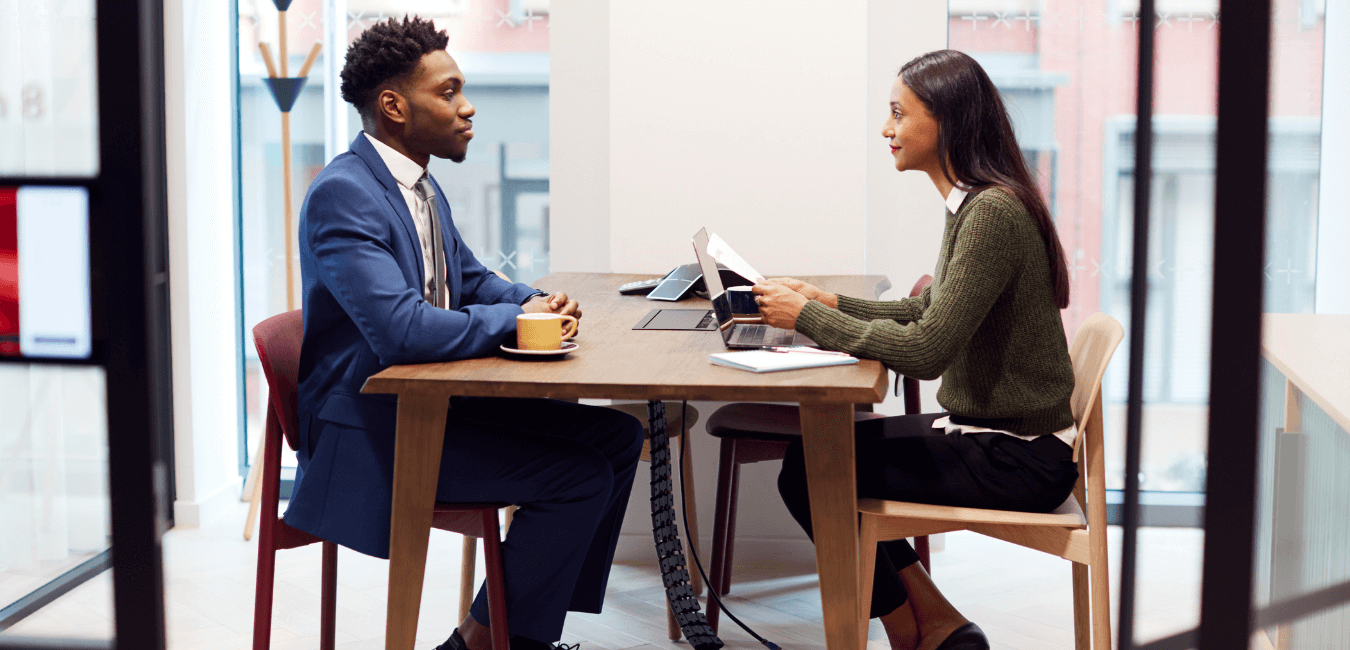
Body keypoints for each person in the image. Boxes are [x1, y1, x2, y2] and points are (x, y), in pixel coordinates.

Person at [291, 16, 644, 650]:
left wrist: (532, 301)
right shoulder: (344, 195)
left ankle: (507, 633)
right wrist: (516, 321)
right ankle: (496, 640)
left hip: (428, 409)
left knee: (618, 436)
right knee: (578, 475)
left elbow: (472, 280)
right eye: (448, 92)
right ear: (395, 106)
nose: (467, 106)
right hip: (372, 432)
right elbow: (401, 330)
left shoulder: (417, 185)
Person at [752, 50, 1079, 650]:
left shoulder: (991, 214)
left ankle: (914, 633)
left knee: (813, 471)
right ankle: (936, 626)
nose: (887, 130)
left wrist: (810, 318)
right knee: (815, 461)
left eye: (899, 114)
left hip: (1018, 458)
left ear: (945, 122)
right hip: (990, 434)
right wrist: (825, 302)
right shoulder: (976, 203)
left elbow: (926, 350)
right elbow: (927, 313)